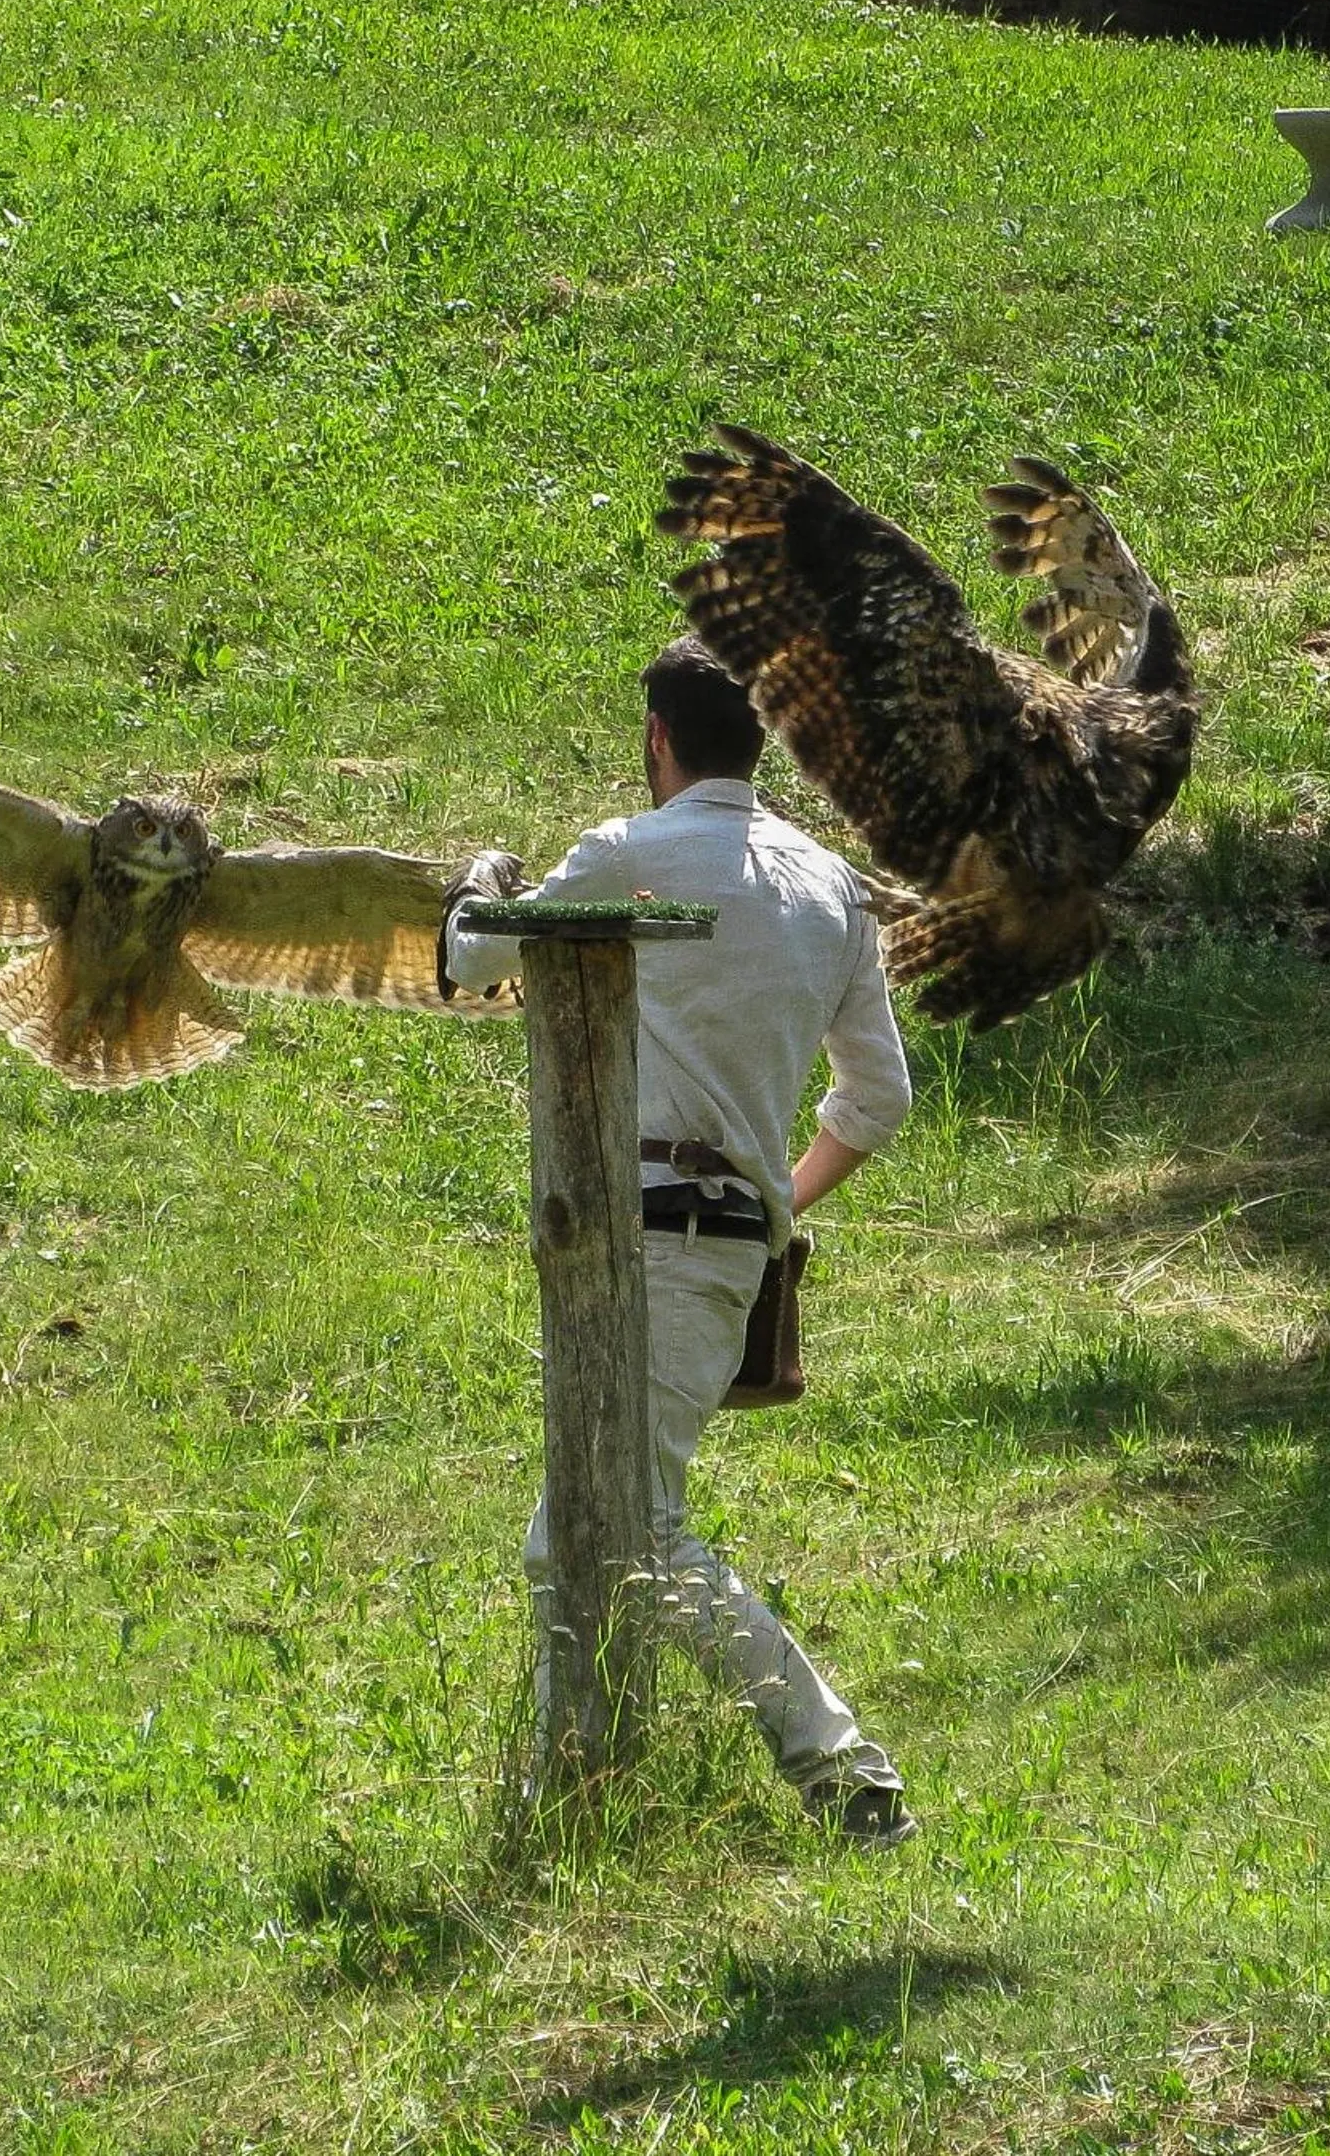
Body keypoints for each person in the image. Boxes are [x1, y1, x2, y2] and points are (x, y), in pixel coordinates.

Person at [445, 635, 917, 1846]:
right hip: (719, 1255)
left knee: (615, 1528)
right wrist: (770, 1200)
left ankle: (837, 1764)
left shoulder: (626, 850)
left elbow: (473, 955)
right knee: (586, 1525)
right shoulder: (829, 888)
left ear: (656, 735)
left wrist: (475, 884)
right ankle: (575, 1791)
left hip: (627, 1239)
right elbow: (875, 1100)